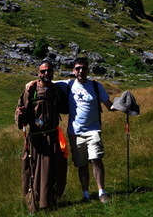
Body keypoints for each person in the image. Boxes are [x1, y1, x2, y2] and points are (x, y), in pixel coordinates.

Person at [15, 61, 68, 213]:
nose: (46, 74)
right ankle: (34, 204)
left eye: (49, 71)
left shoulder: (56, 89)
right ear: (38, 73)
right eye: (43, 71)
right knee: (33, 171)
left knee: (55, 169)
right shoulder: (30, 90)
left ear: (53, 73)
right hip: (36, 139)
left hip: (53, 137)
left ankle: (50, 201)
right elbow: (20, 112)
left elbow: (64, 107)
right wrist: (21, 115)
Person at [62, 57, 115, 204]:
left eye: (83, 68)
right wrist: (31, 83)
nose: (80, 71)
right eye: (78, 68)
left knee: (96, 159)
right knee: (81, 164)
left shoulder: (96, 86)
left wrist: (125, 106)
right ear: (73, 70)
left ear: (88, 70)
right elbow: (47, 83)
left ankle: (101, 192)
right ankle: (85, 194)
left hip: (93, 130)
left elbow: (109, 106)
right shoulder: (67, 85)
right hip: (75, 132)